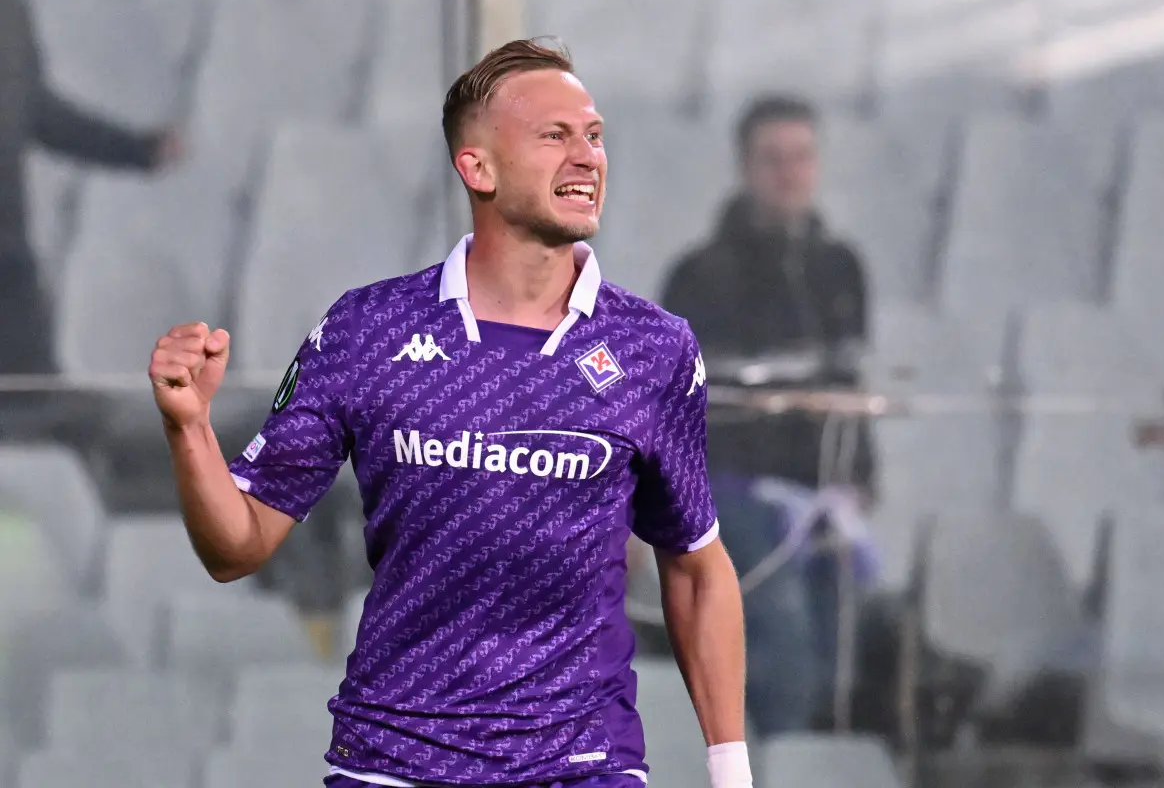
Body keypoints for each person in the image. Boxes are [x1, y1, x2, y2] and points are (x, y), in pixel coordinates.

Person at [148, 39, 750, 788]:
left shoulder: (654, 349)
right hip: (395, 763)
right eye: (554, 136)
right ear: (478, 168)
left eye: (594, 136)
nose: (587, 157)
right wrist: (188, 428)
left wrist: (732, 775)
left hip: (583, 767)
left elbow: (695, 567)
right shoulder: (368, 330)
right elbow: (235, 547)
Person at [660, 96, 877, 735]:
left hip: (823, 493)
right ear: (745, 168)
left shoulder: (841, 269)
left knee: (842, 648)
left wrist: (861, 474)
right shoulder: (700, 276)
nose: (790, 173)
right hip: (737, 494)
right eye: (773, 159)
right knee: (786, 646)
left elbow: (850, 381)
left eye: (802, 157)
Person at [0, 0, 182, 376]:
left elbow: (40, 112)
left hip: (9, 258)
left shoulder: (9, 12)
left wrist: (139, 150)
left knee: (35, 392)